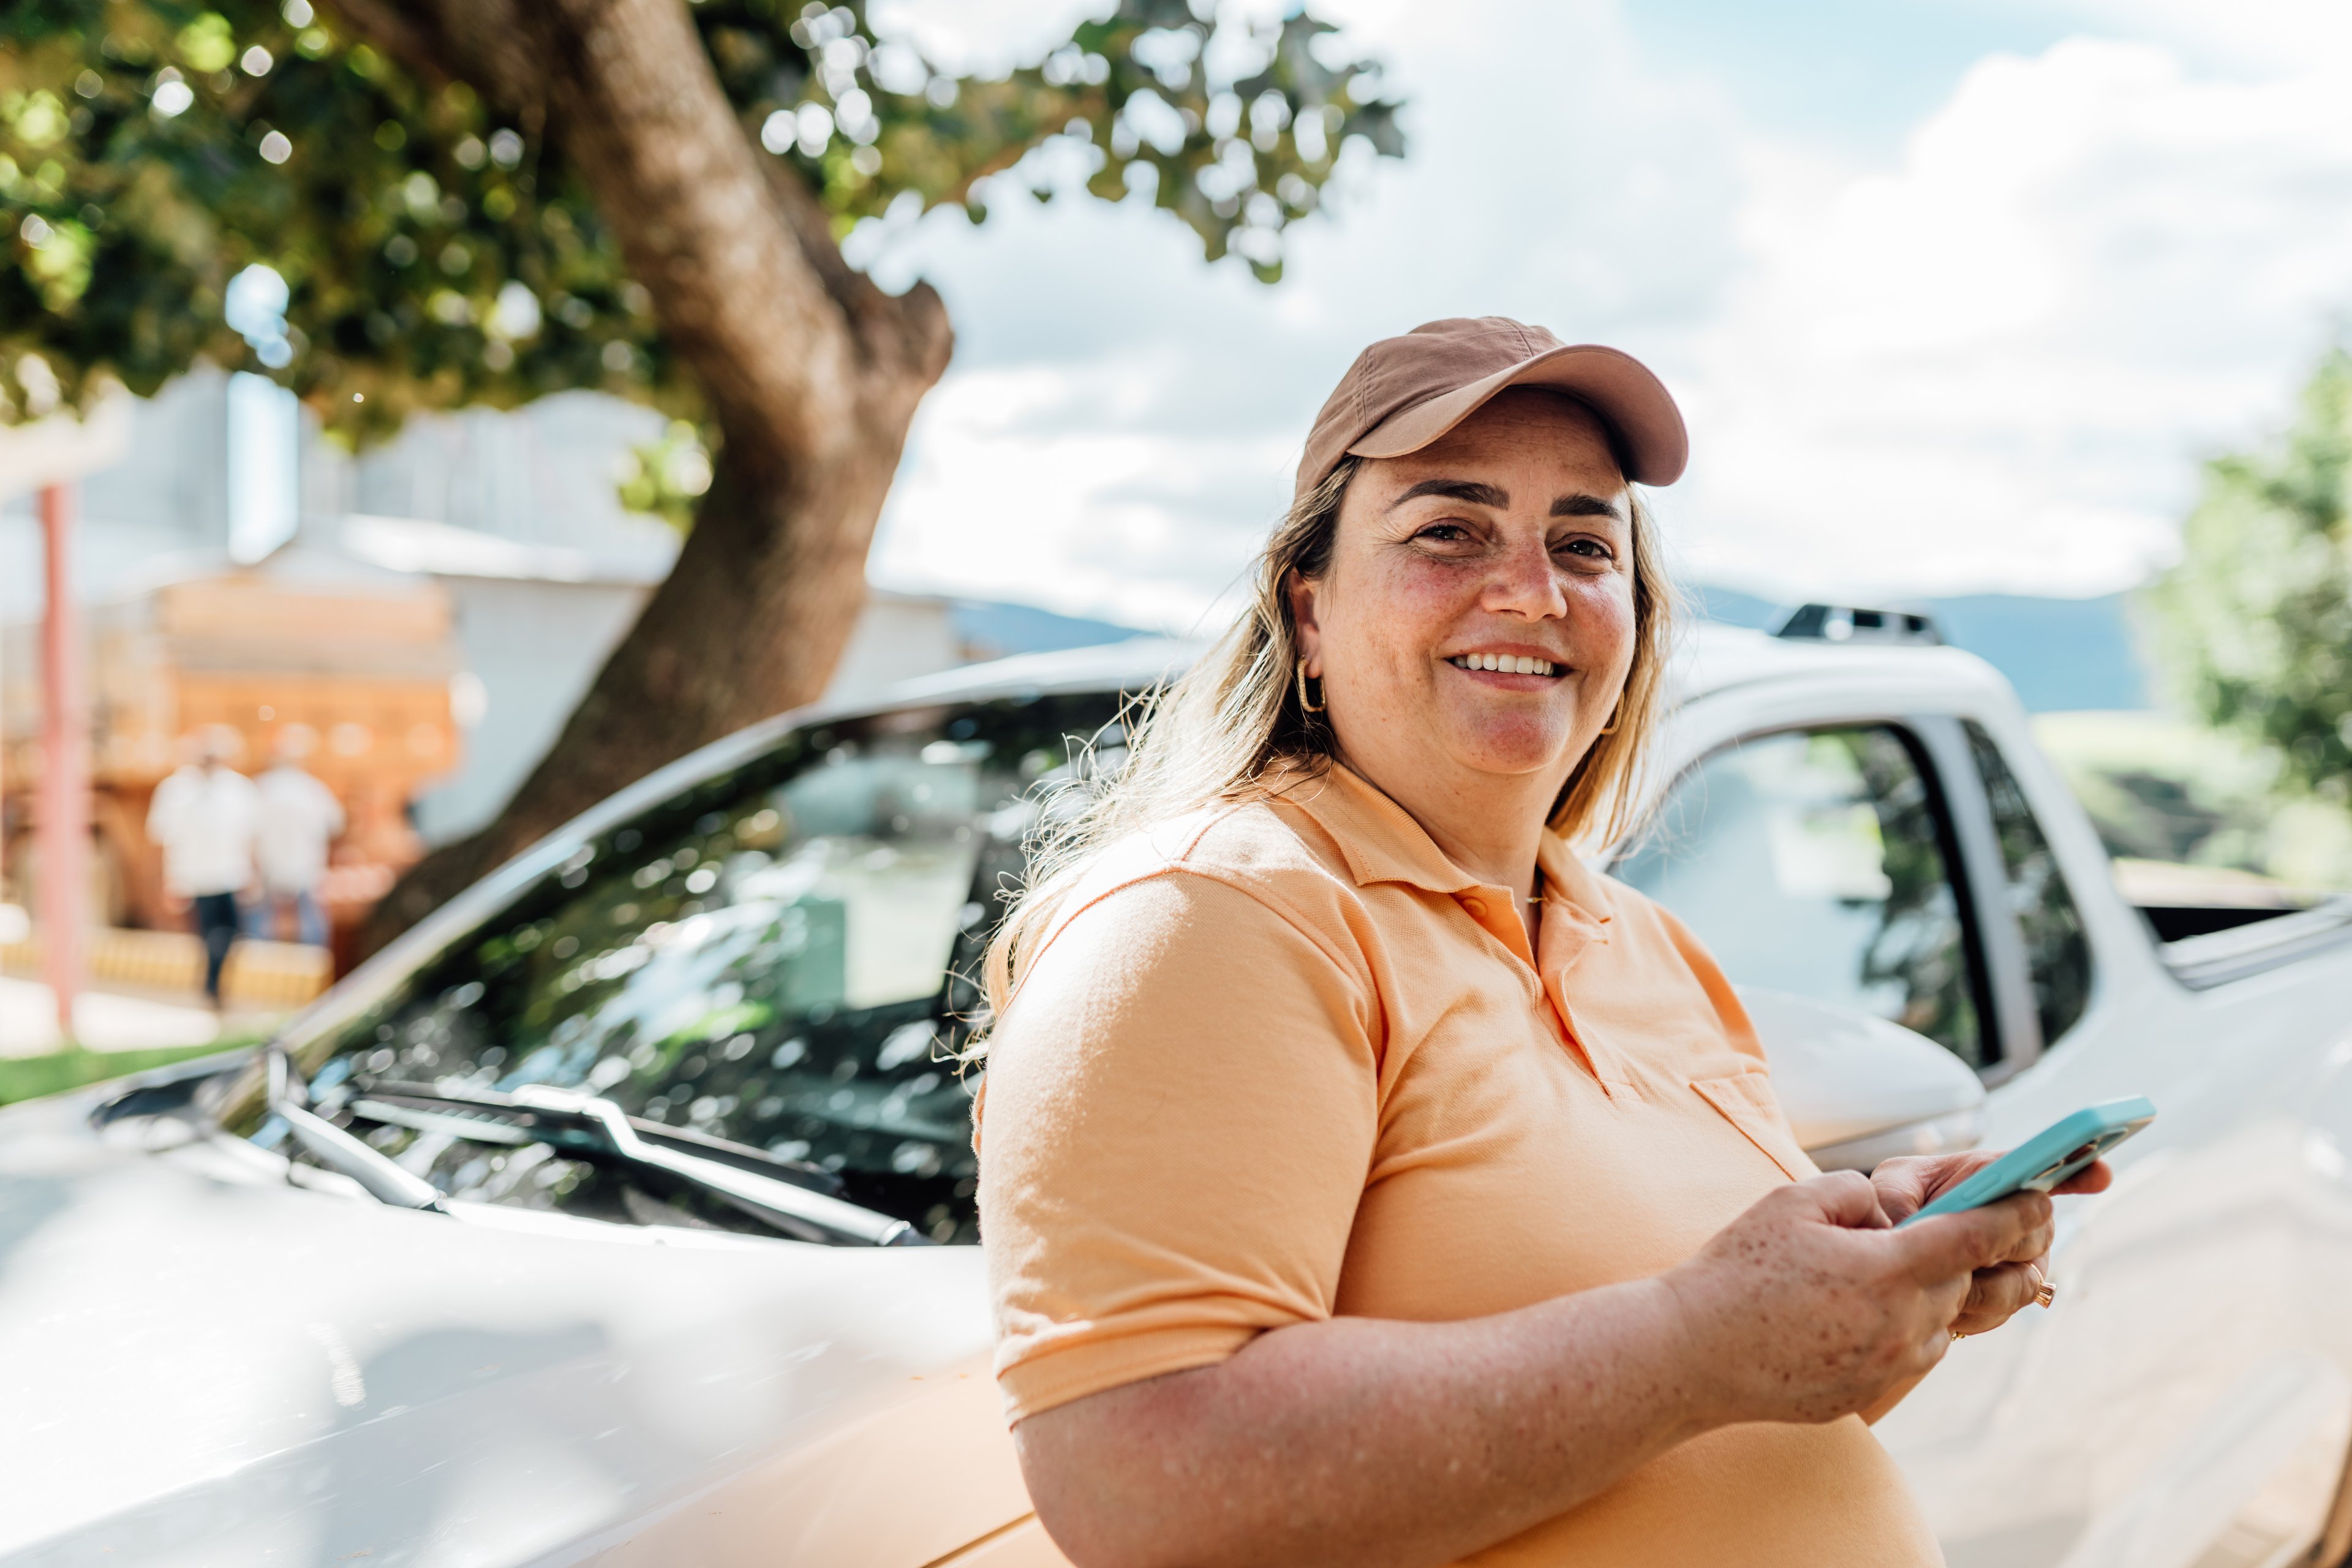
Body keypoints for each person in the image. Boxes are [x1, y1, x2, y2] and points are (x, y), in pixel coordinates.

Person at [973, 317, 2109, 1568]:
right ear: (1309, 608)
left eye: (1583, 542)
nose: (1530, 589)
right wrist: (1704, 1338)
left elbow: (1697, 1408)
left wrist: (1873, 1296)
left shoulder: (1650, 947)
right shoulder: (1215, 913)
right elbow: (1141, 1478)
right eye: (1447, 530)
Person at [147, 726, 259, 1009]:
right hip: (196, 877)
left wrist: (252, 873)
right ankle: (212, 988)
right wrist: (169, 880)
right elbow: (163, 838)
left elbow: (250, 836)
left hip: (231, 875)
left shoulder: (238, 788)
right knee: (211, 935)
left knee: (229, 935)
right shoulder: (176, 789)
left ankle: (213, 985)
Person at [252, 725, 344, 949]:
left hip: (269, 867)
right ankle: (315, 965)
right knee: (310, 922)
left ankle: (257, 966)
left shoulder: (260, 788)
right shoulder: (313, 789)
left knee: (261, 923)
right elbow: (336, 825)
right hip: (304, 868)